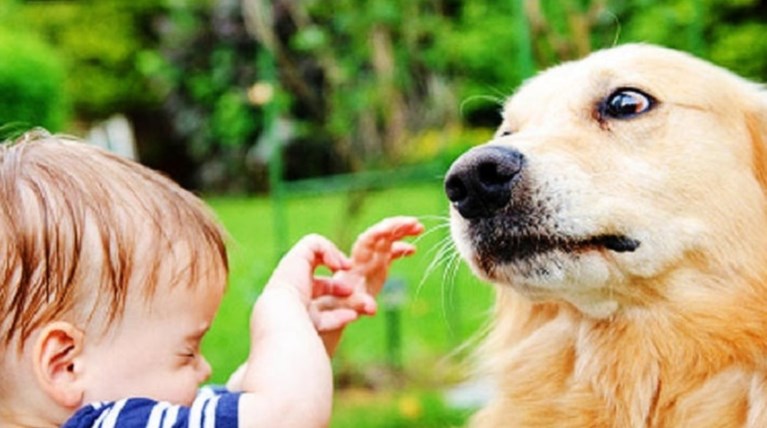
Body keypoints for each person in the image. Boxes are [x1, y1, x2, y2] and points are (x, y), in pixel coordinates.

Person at [0, 131, 424, 428]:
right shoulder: (110, 421)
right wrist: (281, 308)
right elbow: (287, 416)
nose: (204, 369)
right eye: (186, 352)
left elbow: (238, 402)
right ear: (65, 364)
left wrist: (306, 333)